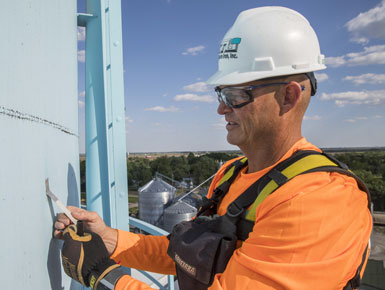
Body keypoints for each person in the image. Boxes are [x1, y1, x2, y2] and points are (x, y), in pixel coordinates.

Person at [55, 6, 372, 290]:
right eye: (222, 95)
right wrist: (108, 239)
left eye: (236, 96)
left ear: (288, 96)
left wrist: (103, 275)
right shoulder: (231, 175)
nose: (222, 110)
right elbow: (185, 254)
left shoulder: (319, 201)